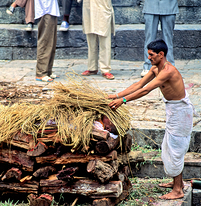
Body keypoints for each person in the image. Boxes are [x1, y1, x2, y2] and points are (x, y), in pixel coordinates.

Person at [108, 39, 195, 200]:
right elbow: (139, 84)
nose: (149, 58)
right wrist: (116, 95)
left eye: (151, 55)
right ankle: (178, 183)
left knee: (175, 149)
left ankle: (177, 190)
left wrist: (124, 101)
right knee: (169, 147)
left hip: (181, 112)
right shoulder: (155, 69)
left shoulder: (168, 70)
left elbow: (146, 90)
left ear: (161, 54)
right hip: (172, 110)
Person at [141, 0, 178, 77]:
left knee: (168, 39)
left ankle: (169, 65)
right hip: (150, 6)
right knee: (149, 38)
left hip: (169, 6)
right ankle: (148, 65)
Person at [81, 0, 115, 80]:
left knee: (105, 40)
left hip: (102, 6)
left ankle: (105, 69)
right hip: (88, 6)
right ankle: (92, 67)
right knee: (91, 40)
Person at [35, 0, 60, 82]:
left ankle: (48, 71)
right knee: (45, 42)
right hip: (45, 9)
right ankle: (41, 73)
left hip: (51, 9)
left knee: (51, 42)